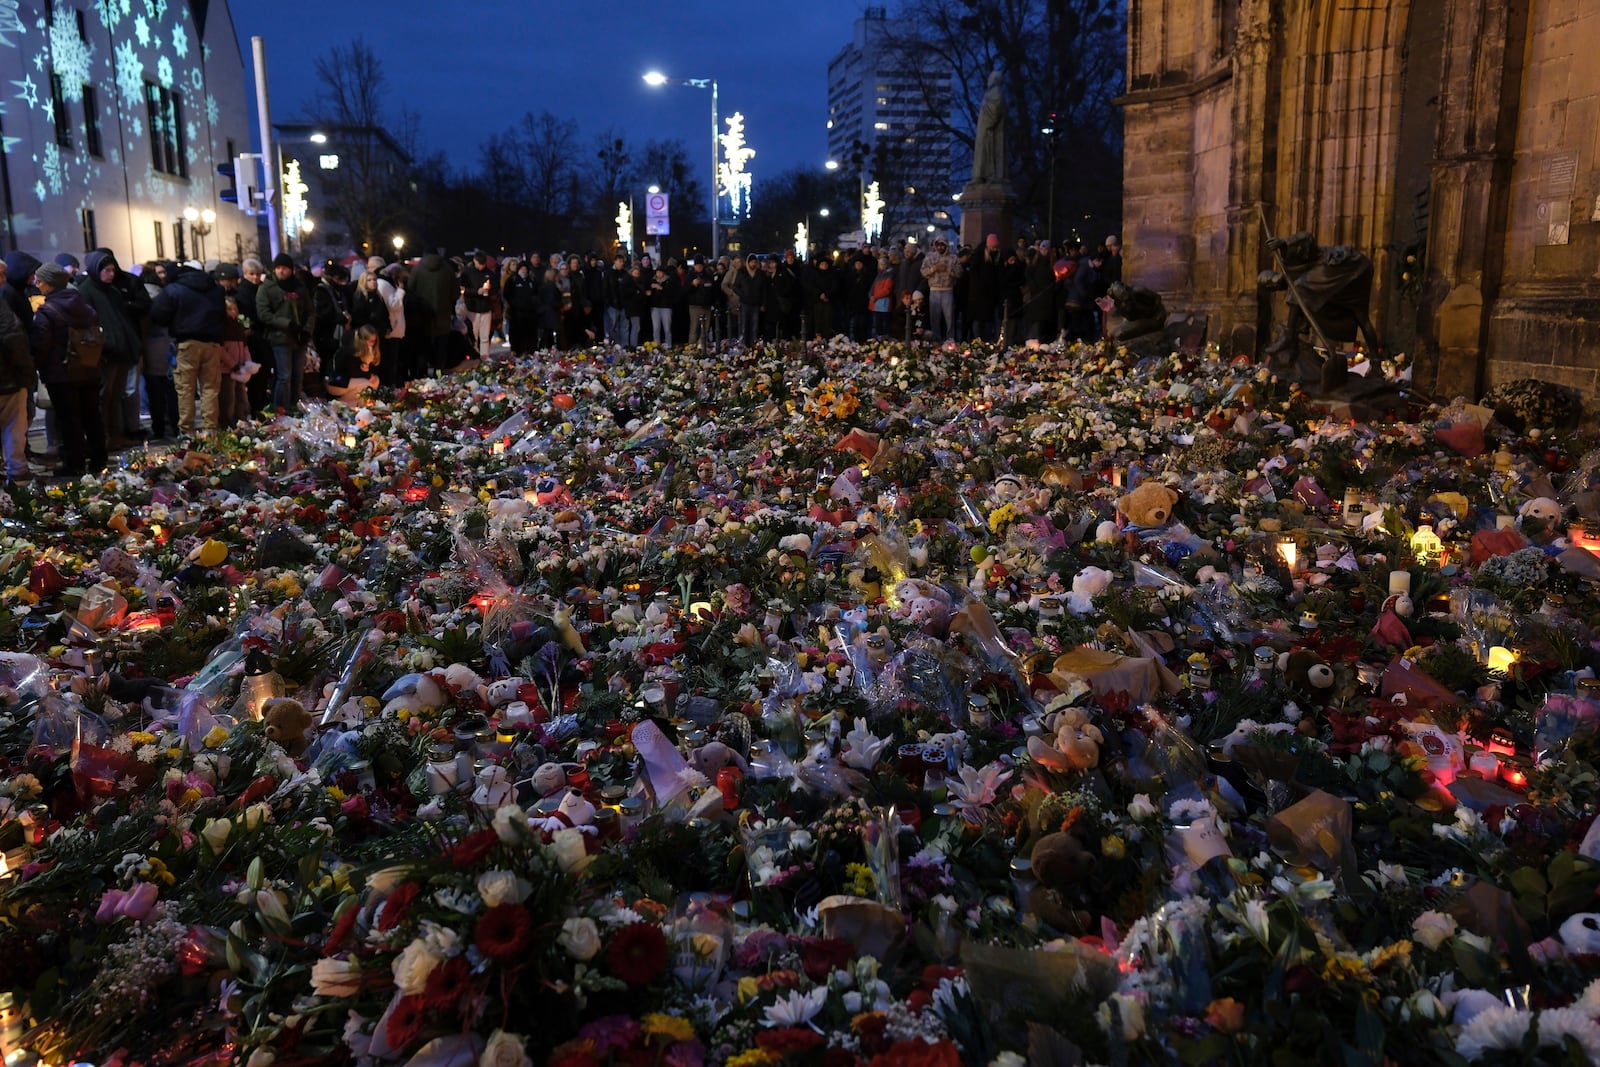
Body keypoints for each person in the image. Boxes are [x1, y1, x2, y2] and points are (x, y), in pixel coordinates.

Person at [30, 261, 106, 477]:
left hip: (62, 374)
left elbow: (40, 345)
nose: (37, 284)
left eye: (40, 280)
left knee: (69, 420)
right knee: (92, 416)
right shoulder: (84, 307)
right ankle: (99, 459)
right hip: (90, 368)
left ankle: (75, 463)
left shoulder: (47, 311)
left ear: (50, 284)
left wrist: (39, 367)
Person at [74, 252, 145, 447]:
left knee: (115, 396)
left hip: (122, 351)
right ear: (97, 270)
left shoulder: (112, 291)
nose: (111, 274)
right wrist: (106, 345)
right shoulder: (86, 291)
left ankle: (115, 434)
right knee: (104, 397)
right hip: (105, 353)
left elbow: (122, 320)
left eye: (113, 270)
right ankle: (102, 437)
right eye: (107, 270)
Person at [150, 260, 227, 436]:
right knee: (210, 389)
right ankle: (210, 430)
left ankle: (187, 432)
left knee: (186, 389)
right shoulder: (215, 289)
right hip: (212, 343)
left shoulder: (174, 289)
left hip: (186, 344)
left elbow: (157, 314)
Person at [256, 253, 314, 410]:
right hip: (280, 338)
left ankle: (294, 407)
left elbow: (310, 311)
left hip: (299, 337)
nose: (281, 271)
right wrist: (287, 324)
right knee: (284, 376)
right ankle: (281, 410)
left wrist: (307, 330)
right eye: (279, 268)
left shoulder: (299, 287)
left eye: (285, 268)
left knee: (297, 376)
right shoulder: (267, 288)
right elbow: (264, 313)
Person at [139, 261, 180, 438]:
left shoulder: (140, 299)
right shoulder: (166, 296)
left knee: (153, 391)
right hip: (167, 346)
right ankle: (174, 424)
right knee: (171, 390)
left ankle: (159, 428)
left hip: (148, 347)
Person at [0, 288, 32, 485]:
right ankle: (18, 472)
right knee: (13, 426)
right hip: (8, 379)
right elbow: (14, 339)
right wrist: (27, 374)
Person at [408, 252, 457, 372]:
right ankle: (439, 374)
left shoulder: (417, 269)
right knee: (441, 349)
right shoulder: (447, 270)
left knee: (423, 348)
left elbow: (410, 291)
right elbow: (455, 293)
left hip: (422, 316)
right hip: (443, 315)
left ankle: (422, 376)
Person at [325, 324, 382, 402]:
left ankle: (354, 403)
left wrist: (368, 366)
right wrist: (367, 372)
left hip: (351, 383)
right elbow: (351, 373)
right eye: (369, 341)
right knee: (365, 384)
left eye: (373, 341)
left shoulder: (371, 351)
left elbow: (373, 371)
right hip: (337, 381)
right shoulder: (350, 350)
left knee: (375, 381)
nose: (371, 344)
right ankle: (339, 403)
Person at [920, 237, 961, 342]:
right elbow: (923, 272)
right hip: (934, 290)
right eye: (938, 245)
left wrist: (947, 269)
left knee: (949, 317)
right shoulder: (930, 257)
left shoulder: (953, 258)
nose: (940, 247)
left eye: (942, 245)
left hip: (948, 290)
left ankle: (950, 339)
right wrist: (934, 269)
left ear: (946, 245)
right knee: (934, 317)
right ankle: (936, 339)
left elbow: (959, 273)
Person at [460, 250, 496, 358]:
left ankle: (485, 357)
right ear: (474, 261)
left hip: (485, 307)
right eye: (479, 264)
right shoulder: (467, 273)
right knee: (473, 336)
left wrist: (490, 289)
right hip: (472, 308)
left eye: (483, 264)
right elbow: (463, 289)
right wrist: (476, 291)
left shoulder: (489, 273)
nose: (481, 267)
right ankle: (474, 357)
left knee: (485, 336)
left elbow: (496, 288)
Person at [732, 256, 765, 346]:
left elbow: (763, 289)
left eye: (755, 262)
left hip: (756, 303)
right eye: (752, 262)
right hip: (745, 303)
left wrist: (763, 303)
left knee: (755, 326)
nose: (753, 264)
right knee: (744, 325)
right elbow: (735, 286)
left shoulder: (760, 274)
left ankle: (754, 345)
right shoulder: (742, 272)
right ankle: (744, 345)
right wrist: (742, 294)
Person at [684, 259, 716, 346]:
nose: (699, 267)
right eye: (697, 265)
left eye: (700, 266)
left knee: (706, 329)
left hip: (707, 306)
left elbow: (713, 290)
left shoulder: (708, 276)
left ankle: (703, 347)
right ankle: (692, 347)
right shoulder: (690, 276)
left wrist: (712, 303)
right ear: (694, 266)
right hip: (695, 306)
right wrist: (693, 285)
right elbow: (685, 291)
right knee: (694, 328)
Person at [647, 265, 676, 346]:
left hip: (666, 307)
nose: (658, 274)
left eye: (660, 272)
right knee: (656, 328)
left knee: (667, 329)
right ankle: (656, 346)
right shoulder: (652, 280)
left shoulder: (669, 281)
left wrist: (661, 288)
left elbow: (671, 294)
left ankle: (669, 345)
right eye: (657, 272)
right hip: (655, 307)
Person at [869, 255, 896, 338]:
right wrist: (871, 295)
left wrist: (875, 296)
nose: (882, 266)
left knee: (885, 324)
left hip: (884, 304)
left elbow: (887, 290)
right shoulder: (878, 275)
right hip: (876, 304)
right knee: (877, 324)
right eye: (880, 264)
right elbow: (873, 287)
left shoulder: (890, 275)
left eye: (883, 264)